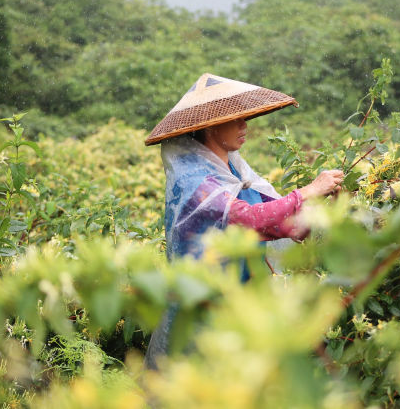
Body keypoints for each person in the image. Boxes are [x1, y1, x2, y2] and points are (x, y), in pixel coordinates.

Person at [142, 73, 343, 368]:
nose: (244, 126)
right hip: (207, 309)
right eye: (235, 119)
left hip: (245, 307)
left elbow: (281, 224)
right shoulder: (195, 184)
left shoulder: (236, 174)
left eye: (244, 118)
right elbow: (249, 219)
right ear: (209, 126)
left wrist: (324, 208)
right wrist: (310, 190)